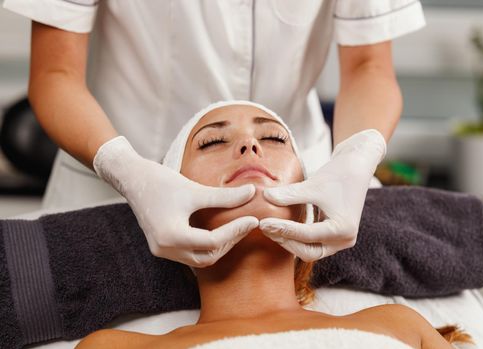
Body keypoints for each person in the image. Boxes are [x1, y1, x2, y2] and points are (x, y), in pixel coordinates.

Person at [3, 1, 426, 266]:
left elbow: (369, 67)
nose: (247, 148)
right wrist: (126, 170)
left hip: (303, 184)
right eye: (212, 142)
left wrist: (354, 158)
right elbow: (55, 73)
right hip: (115, 184)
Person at [75, 102, 473, 349]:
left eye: (273, 137)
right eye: (212, 142)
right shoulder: (112, 348)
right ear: (166, 209)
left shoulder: (397, 325)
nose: (251, 146)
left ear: (308, 205)